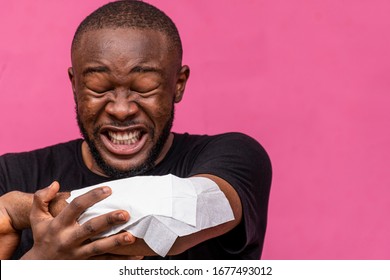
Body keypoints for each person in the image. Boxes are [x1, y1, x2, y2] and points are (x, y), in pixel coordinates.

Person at [0, 0, 272, 260]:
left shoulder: (235, 157)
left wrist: (21, 210)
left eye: (144, 87)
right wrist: (37, 265)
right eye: (99, 87)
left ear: (178, 84)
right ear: (75, 85)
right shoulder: (10, 174)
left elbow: (192, 208)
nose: (121, 109)